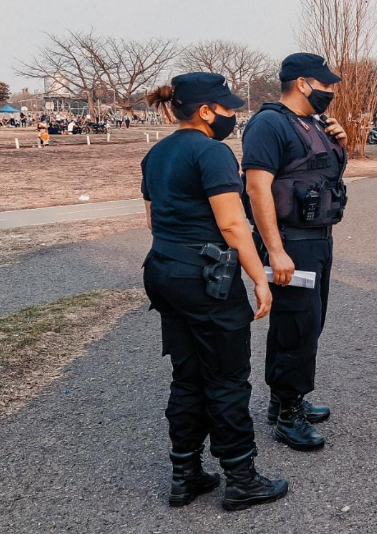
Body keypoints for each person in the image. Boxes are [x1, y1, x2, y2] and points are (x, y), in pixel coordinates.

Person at [141, 73, 287, 511]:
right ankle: (241, 478)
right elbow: (230, 223)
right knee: (226, 377)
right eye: (227, 109)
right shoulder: (212, 152)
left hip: (163, 270)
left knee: (187, 374)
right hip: (204, 278)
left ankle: (185, 473)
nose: (232, 116)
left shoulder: (155, 154)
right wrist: (259, 277)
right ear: (205, 111)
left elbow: (152, 220)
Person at [242, 53, 348, 453]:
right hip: (292, 242)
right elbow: (257, 188)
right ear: (303, 83)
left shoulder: (313, 124)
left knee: (307, 322)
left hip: (318, 238)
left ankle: (283, 400)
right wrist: (275, 249)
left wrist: (340, 144)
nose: (331, 91)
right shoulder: (269, 123)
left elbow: (322, 178)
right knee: (298, 326)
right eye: (325, 84)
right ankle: (289, 414)